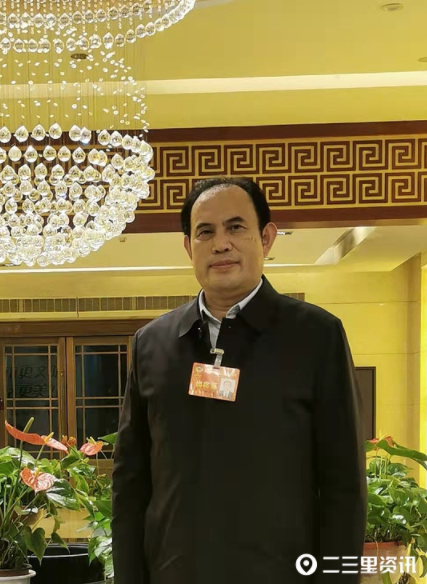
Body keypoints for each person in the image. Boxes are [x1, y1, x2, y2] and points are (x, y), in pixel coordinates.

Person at [112, 177, 367, 584]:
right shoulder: (151, 343)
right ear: (188, 247)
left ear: (265, 238)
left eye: (235, 227)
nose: (220, 244)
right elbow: (130, 483)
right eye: (205, 232)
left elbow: (343, 487)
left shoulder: (316, 336)